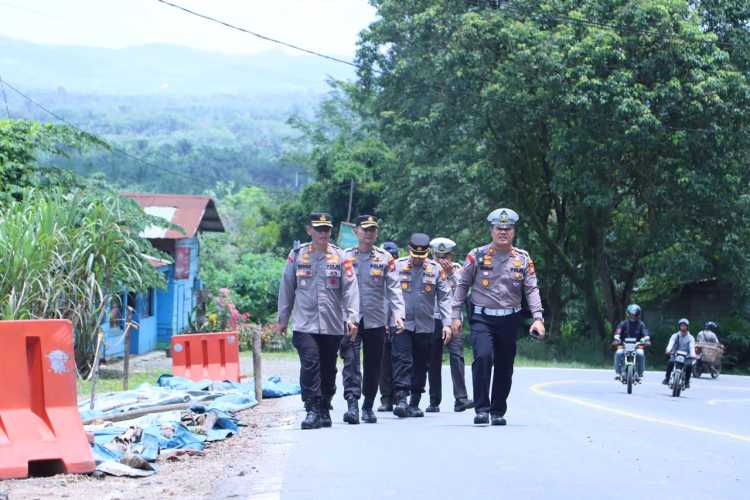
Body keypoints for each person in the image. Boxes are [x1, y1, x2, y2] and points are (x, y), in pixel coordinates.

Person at [452, 208, 545, 426]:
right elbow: (462, 284)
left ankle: (497, 410)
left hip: (509, 319)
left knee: (505, 365)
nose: (503, 232)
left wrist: (538, 318)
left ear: (513, 231)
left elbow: (531, 289)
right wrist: (455, 315)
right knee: (483, 357)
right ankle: (482, 409)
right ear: (491, 230)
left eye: (508, 229)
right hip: (482, 317)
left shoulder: (522, 258)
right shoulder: (477, 255)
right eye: (499, 228)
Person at [276, 212, 359, 430]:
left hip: (332, 324)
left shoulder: (341, 257)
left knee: (328, 368)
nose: (323, 233)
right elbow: (287, 287)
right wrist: (282, 319)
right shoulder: (297, 255)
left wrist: (352, 317)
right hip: (305, 323)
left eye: (327, 229)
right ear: (309, 230)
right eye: (319, 229)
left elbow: (351, 289)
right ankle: (311, 408)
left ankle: (324, 406)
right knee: (310, 364)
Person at [339, 216, 405, 425]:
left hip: (376, 319)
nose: (369, 234)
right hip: (350, 318)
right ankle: (352, 404)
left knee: (373, 364)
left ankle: (368, 405)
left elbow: (394, 289)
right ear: (356, 232)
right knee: (350, 361)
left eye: (373, 230)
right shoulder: (345, 257)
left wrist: (398, 315)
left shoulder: (385, 258)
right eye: (365, 230)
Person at [391, 233, 453, 418]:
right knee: (402, 360)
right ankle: (401, 398)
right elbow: (389, 292)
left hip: (425, 325)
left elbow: (444, 297)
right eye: (415, 255)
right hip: (402, 323)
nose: (418, 259)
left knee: (420, 363)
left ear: (427, 253)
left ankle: (415, 401)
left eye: (422, 255)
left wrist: (447, 324)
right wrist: (389, 318)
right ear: (409, 250)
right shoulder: (397, 266)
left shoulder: (435, 270)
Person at [426, 237, 474, 413]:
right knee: (432, 360)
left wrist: (450, 275)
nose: (441, 260)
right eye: (438, 256)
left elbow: (465, 293)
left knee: (457, 357)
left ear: (451, 255)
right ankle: (434, 400)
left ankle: (460, 398)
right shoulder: (428, 269)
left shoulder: (459, 270)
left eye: (445, 256)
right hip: (433, 318)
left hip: (453, 319)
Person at [378, 240, 401, 412]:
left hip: (400, 322)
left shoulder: (403, 270)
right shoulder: (377, 270)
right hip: (381, 322)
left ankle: (401, 396)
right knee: (384, 362)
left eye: (394, 256)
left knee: (401, 360)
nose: (391, 259)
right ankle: (386, 398)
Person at [612, 304, 651, 380]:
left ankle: (640, 373)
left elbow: (646, 334)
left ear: (638, 315)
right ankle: (618, 372)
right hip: (624, 345)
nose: (633, 316)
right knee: (618, 353)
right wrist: (617, 338)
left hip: (637, 345)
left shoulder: (641, 324)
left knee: (640, 353)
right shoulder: (623, 323)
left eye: (635, 315)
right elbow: (617, 333)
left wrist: (645, 339)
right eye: (631, 314)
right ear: (628, 314)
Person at [663, 318, 697, 389]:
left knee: (689, 366)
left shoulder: (691, 338)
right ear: (679, 326)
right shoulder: (675, 335)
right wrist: (668, 350)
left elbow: (691, 347)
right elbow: (671, 343)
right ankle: (667, 378)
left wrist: (693, 355)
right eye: (681, 325)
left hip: (686, 356)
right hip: (675, 354)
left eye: (684, 325)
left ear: (687, 327)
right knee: (670, 362)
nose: (683, 327)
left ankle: (687, 382)